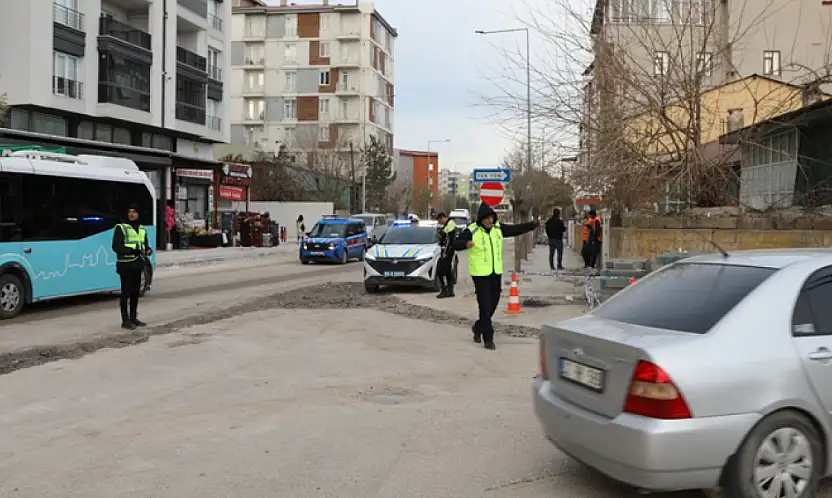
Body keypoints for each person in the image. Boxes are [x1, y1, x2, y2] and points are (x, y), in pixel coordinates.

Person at [454, 203, 538, 350]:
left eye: (491, 218)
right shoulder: (472, 230)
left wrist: (532, 225)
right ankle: (488, 339)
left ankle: (478, 327)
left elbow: (515, 230)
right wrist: (465, 244)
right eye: (486, 218)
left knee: (493, 304)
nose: (489, 221)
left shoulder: (498, 228)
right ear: (480, 219)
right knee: (484, 305)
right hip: (480, 275)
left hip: (495, 273)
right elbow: (455, 243)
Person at [112, 204, 151, 330]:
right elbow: (116, 247)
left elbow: (145, 245)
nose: (131, 214)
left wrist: (148, 250)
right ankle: (125, 321)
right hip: (125, 265)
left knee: (135, 293)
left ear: (138, 213)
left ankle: (133, 317)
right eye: (129, 212)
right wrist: (132, 250)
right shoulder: (121, 227)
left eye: (134, 212)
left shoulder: (142, 229)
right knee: (125, 293)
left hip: (138, 264)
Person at [435, 212, 457, 299]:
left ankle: (444, 290)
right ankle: (450, 291)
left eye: (440, 221)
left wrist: (445, 253)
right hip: (448, 251)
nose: (440, 223)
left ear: (442, 218)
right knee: (448, 271)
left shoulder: (450, 224)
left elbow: (450, 240)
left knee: (440, 271)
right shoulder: (448, 224)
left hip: (448, 252)